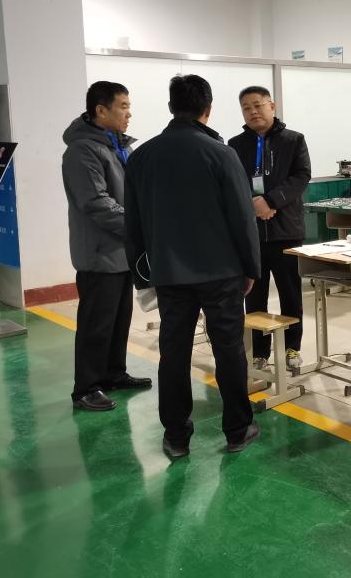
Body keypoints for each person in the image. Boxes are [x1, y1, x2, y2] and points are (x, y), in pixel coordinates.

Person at [125, 74, 262, 459]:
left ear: (171, 107)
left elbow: (133, 223)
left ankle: (176, 436)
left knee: (174, 352)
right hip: (221, 272)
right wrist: (250, 268)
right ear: (208, 109)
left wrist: (141, 275)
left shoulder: (142, 157)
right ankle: (237, 429)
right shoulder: (221, 154)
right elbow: (242, 218)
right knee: (228, 350)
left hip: (169, 274)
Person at [62, 81, 151, 412]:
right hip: (99, 252)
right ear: (101, 110)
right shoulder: (82, 151)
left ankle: (113, 373)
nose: (129, 113)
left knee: (119, 318)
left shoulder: (117, 147)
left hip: (121, 250)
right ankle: (86, 387)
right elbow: (96, 203)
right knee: (96, 324)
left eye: (129, 106)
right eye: (123, 106)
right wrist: (138, 226)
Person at [228, 86, 311, 372]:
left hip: (286, 230)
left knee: (291, 293)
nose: (252, 112)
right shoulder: (236, 144)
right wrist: (253, 204)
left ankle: (292, 347)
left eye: (257, 105)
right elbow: (233, 181)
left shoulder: (294, 140)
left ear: (271, 106)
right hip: (251, 233)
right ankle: (259, 351)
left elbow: (301, 176)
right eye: (246, 108)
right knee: (254, 295)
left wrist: (271, 201)